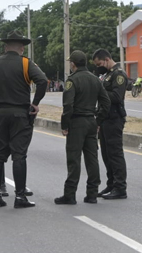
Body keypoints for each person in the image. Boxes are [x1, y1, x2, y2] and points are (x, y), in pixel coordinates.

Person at [0, 31, 48, 209]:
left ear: (5, 47)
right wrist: (35, 103)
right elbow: (43, 81)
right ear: (21, 48)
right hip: (21, 115)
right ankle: (20, 197)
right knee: (19, 156)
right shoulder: (26, 63)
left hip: (0, 114)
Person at [55, 51, 110, 205]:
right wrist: (98, 120)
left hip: (76, 122)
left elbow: (68, 105)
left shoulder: (72, 80)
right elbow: (106, 103)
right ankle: (92, 193)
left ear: (73, 64)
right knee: (92, 158)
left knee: (74, 159)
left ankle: (70, 194)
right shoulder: (95, 80)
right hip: (91, 121)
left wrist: (65, 125)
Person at [92, 48, 129, 200]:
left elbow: (117, 96)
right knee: (106, 154)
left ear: (106, 59)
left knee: (115, 154)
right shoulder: (106, 75)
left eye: (99, 63)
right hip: (104, 118)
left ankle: (120, 187)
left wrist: (99, 92)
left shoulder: (118, 74)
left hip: (114, 118)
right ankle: (111, 183)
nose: (99, 66)